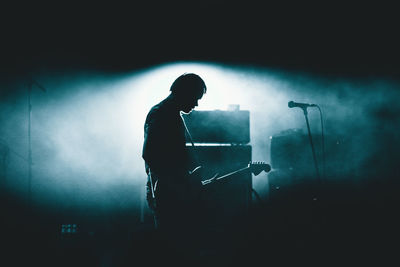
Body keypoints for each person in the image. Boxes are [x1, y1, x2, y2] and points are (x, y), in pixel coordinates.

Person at [141, 73, 207, 263]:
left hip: (172, 189)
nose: (196, 104)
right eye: (195, 98)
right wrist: (177, 182)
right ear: (184, 92)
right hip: (168, 192)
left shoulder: (169, 113)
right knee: (172, 248)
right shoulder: (162, 114)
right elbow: (150, 154)